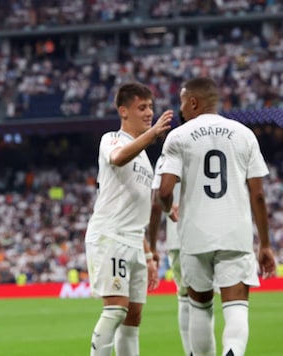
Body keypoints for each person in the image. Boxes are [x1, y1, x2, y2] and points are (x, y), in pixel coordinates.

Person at [157, 77, 277, 356]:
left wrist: (167, 209)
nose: (181, 110)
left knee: (200, 307)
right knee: (236, 308)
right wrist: (266, 245)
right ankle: (232, 351)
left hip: (195, 236)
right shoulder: (245, 134)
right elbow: (258, 195)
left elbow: (164, 191)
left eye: (182, 103)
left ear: (194, 102)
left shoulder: (179, 136)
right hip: (234, 233)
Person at [85, 82, 173, 356]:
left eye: (150, 107)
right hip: (111, 235)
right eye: (142, 107)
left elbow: (139, 212)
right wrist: (154, 133)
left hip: (135, 241)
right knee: (115, 310)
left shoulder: (145, 159)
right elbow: (118, 158)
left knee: (133, 318)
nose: (149, 113)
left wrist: (148, 255)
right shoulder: (112, 139)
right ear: (124, 111)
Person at [148, 165, 188, 355]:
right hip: (216, 236)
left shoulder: (170, 149)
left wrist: (153, 248)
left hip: (179, 236)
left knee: (185, 297)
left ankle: (191, 351)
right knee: (216, 300)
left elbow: (157, 203)